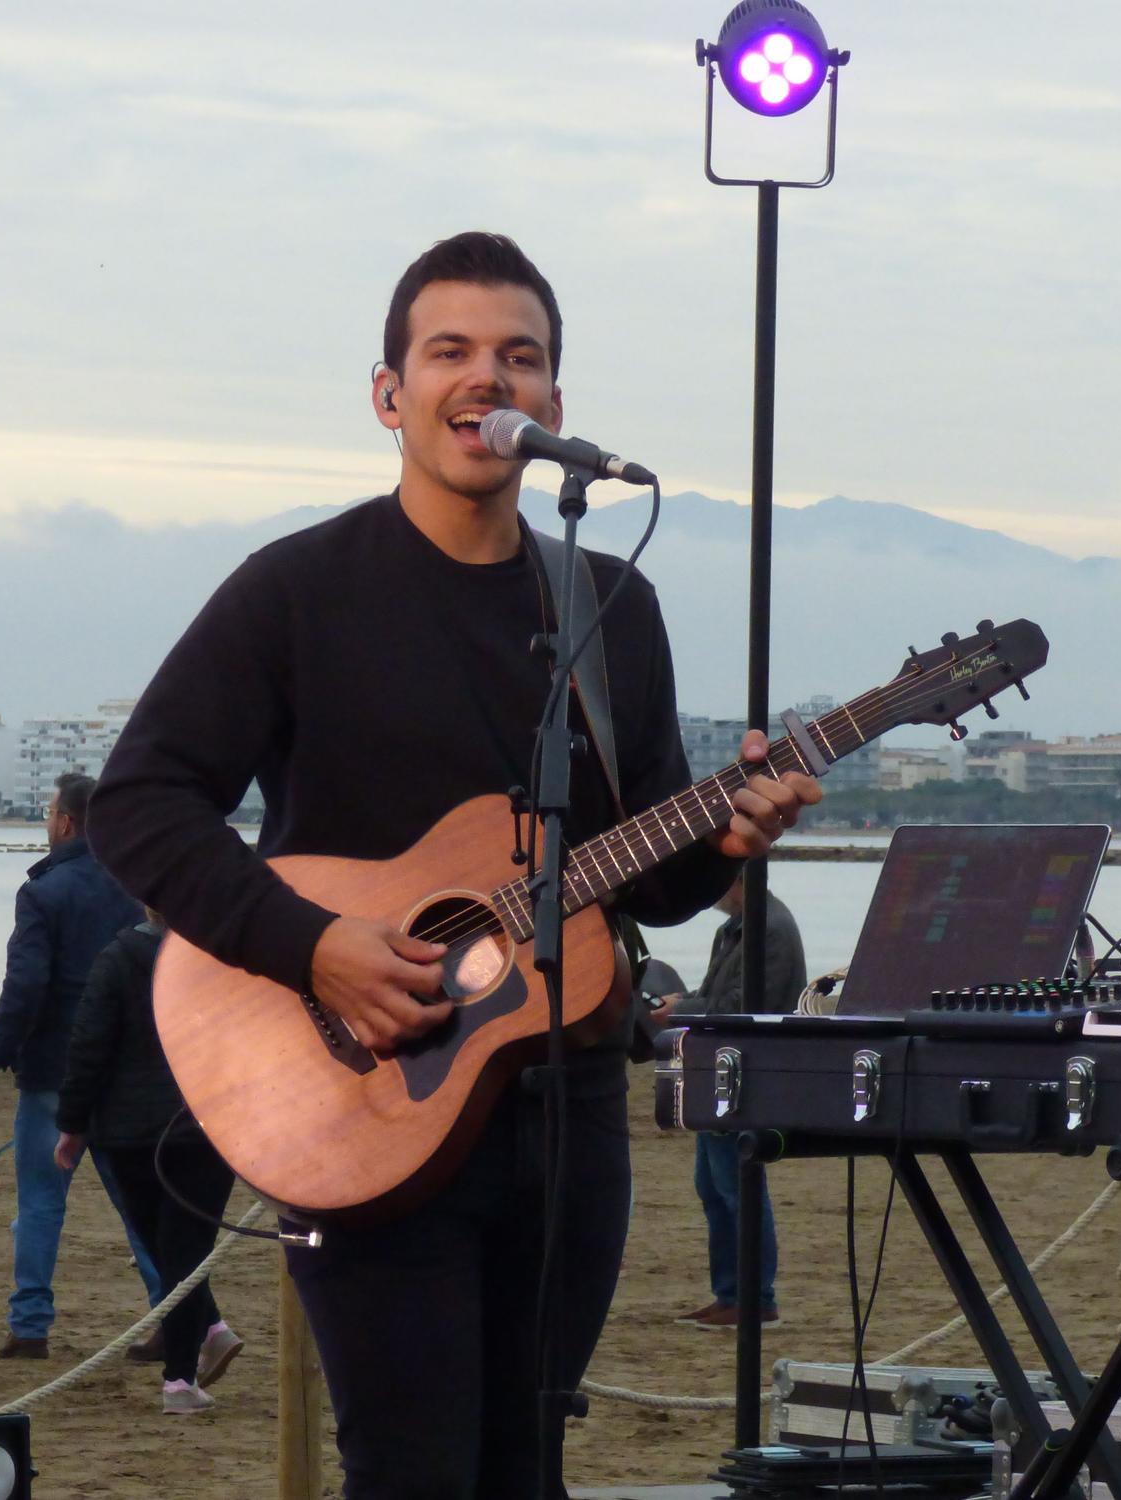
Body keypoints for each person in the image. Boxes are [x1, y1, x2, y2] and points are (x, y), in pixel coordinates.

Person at [87, 231, 819, 1498]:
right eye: (452, 352)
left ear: (553, 406)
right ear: (389, 396)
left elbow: (636, 876)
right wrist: (310, 943)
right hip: (360, 1100)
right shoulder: (296, 592)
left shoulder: (609, 607)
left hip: (566, 1114)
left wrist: (726, 841)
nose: (488, 379)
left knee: (525, 1467)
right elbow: (140, 805)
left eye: (519, 358)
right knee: (412, 1470)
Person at [0, 770, 155, 1360]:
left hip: (55, 1069)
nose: (47, 822)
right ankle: (177, 1311)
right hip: (126, 1067)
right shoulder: (136, 887)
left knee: (41, 1204)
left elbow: (26, 983)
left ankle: (29, 1325)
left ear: (66, 822)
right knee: (140, 1206)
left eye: (50, 813)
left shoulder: (43, 893)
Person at [55, 912, 242, 1413]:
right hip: (198, 1126)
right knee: (182, 1251)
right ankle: (198, 1353)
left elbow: (88, 1046)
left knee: (171, 1252)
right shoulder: (218, 957)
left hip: (134, 1132)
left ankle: (185, 1371)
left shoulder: (117, 958)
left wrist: (72, 1124)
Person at [650, 873, 807, 1328]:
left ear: (736, 879)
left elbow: (745, 1005)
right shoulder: (735, 928)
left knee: (739, 1189)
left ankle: (756, 1296)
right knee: (714, 1187)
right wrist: (683, 1001)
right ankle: (731, 1292)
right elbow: (716, 995)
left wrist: (678, 1011)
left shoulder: (769, 928)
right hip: (719, 1068)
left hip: (748, 1072)